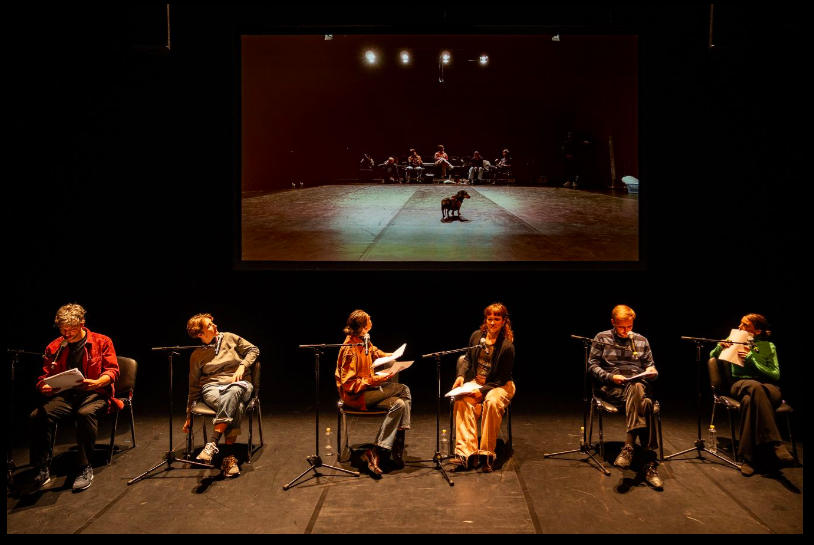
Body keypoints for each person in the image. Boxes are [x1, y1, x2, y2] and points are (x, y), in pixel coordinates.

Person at [28, 304, 121, 492]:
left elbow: (113, 371)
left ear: (82, 323)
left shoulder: (101, 341)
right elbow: (43, 376)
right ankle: (42, 468)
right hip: (67, 395)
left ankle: (84, 467)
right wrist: (43, 387)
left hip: (96, 393)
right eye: (62, 329)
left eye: (71, 329)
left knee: (84, 414)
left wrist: (98, 383)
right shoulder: (54, 347)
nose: (66, 333)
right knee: (37, 416)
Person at [588, 305, 663, 490]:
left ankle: (629, 447)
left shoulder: (641, 340)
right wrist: (610, 377)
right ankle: (649, 464)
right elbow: (592, 366)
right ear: (613, 322)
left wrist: (652, 373)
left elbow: (650, 366)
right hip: (612, 389)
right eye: (622, 327)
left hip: (638, 387)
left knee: (637, 387)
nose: (626, 331)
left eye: (629, 327)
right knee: (645, 405)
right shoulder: (602, 338)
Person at [710, 313, 794, 476]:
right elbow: (712, 357)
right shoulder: (733, 339)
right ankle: (776, 444)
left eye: (745, 325)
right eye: (740, 323)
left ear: (757, 330)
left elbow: (775, 375)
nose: (740, 327)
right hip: (740, 384)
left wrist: (751, 358)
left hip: (769, 388)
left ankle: (748, 459)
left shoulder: (769, 346)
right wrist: (720, 347)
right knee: (753, 386)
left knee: (750, 401)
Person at [335, 310, 411, 477]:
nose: (371, 321)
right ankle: (396, 447)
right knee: (404, 390)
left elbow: (375, 352)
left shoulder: (364, 339)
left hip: (367, 390)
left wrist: (392, 356)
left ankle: (376, 451)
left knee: (399, 404)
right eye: (369, 320)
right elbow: (349, 385)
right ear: (363, 326)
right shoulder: (350, 349)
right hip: (355, 396)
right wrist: (374, 380)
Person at [184, 313, 259, 478]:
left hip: (240, 385)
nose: (215, 326)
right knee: (236, 406)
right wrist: (189, 413)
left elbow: (254, 349)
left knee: (234, 391)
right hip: (213, 388)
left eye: (213, 323)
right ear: (200, 334)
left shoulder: (230, 338)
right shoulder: (197, 355)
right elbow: (194, 385)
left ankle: (212, 442)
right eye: (209, 325)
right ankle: (229, 457)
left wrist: (242, 366)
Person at [450, 303, 516, 473]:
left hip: (500, 385)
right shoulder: (476, 336)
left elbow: (502, 378)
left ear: (503, 322)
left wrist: (482, 391)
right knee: (462, 399)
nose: (492, 323)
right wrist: (461, 376)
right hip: (478, 382)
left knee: (492, 402)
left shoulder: (507, 346)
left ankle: (487, 454)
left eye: (496, 319)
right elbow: (467, 359)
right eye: (489, 319)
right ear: (485, 320)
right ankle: (468, 454)